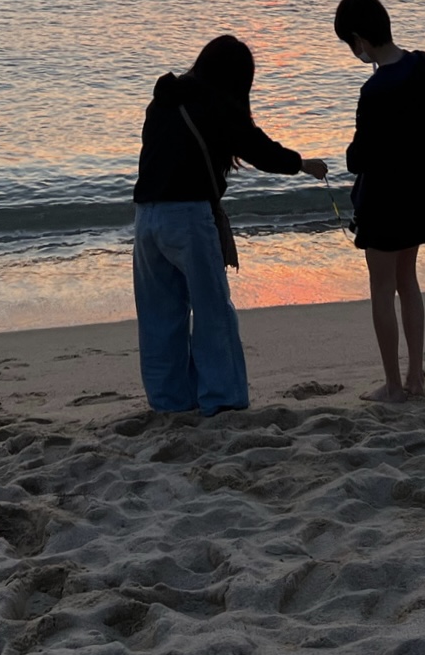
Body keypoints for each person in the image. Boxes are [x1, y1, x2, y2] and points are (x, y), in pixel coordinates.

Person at [133, 34, 328, 416]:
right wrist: (301, 163)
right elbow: (256, 148)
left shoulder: (163, 100)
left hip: (145, 217)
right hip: (187, 216)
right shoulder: (218, 104)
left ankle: (169, 402)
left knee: (160, 317)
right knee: (212, 313)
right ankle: (223, 399)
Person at [334, 0, 425, 403]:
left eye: (350, 45)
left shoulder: (375, 91)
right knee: (408, 282)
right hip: (424, 198)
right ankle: (416, 378)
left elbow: (358, 158)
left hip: (384, 206)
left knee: (382, 289)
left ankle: (392, 385)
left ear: (359, 41)